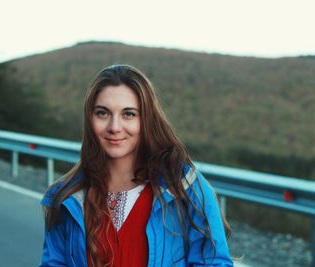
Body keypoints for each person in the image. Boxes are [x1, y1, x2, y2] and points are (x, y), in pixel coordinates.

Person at [39, 64, 233, 266]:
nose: (114, 127)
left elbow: (213, 262)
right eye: (102, 113)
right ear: (90, 119)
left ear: (146, 120)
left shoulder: (184, 187)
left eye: (129, 114)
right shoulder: (67, 198)